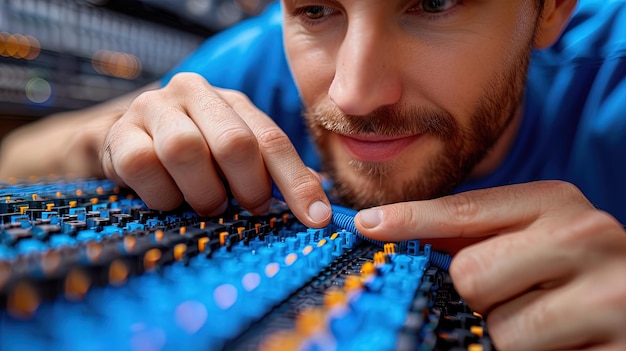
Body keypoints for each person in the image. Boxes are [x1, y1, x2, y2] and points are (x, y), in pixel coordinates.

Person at [1, 0, 625, 349]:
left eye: (433, 3)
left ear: (550, 11)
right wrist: (105, 137)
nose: (353, 94)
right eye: (317, 9)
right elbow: (17, 160)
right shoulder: (256, 61)